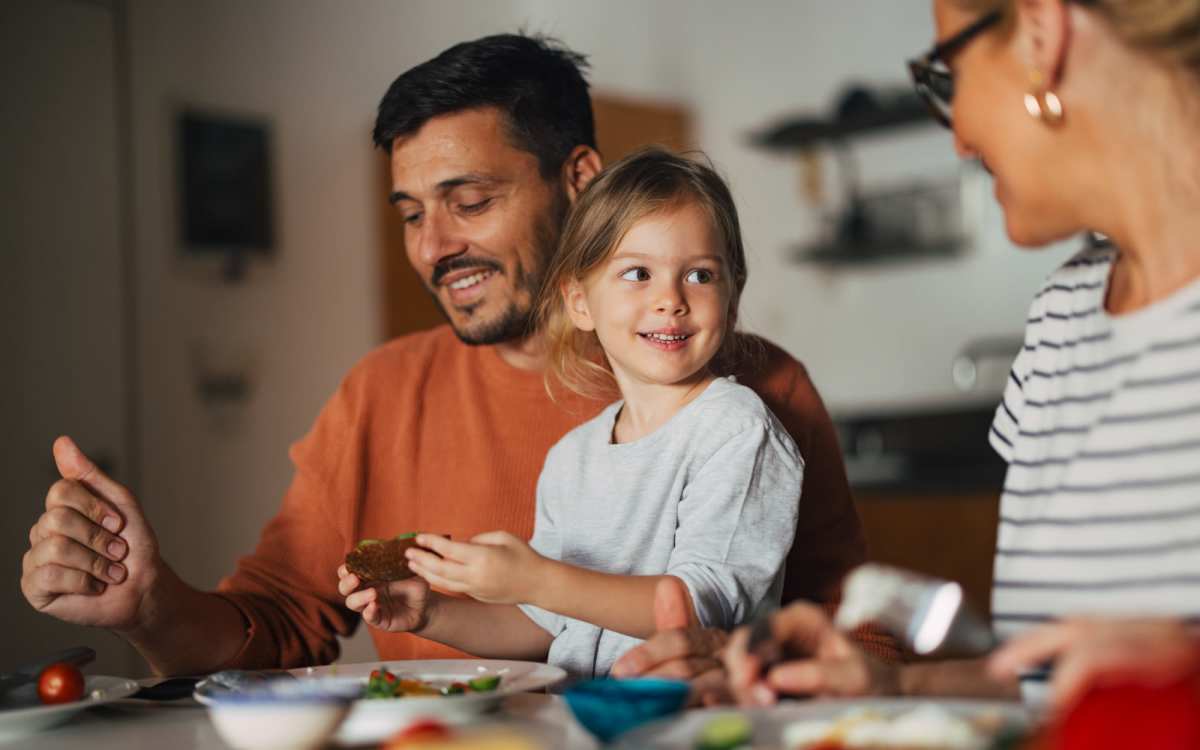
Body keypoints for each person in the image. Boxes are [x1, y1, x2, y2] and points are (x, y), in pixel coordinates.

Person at [20, 34, 886, 676]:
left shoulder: (755, 389)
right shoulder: (383, 396)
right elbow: (274, 625)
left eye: (468, 201)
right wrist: (150, 603)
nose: (434, 246)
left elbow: (861, 631)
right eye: (409, 215)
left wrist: (764, 663)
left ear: (579, 179)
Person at [718, 0, 1200, 709]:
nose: (961, 142)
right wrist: (894, 682)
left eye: (950, 74)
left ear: (1042, 31)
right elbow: (1046, 685)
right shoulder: (1064, 316)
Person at [337, 147, 803, 681]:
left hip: (696, 720)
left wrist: (537, 580)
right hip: (583, 723)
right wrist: (432, 613)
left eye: (700, 275)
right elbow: (548, 625)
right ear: (579, 302)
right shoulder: (572, 457)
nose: (670, 299)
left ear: (732, 294)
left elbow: (702, 607)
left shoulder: (736, 428)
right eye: (637, 273)